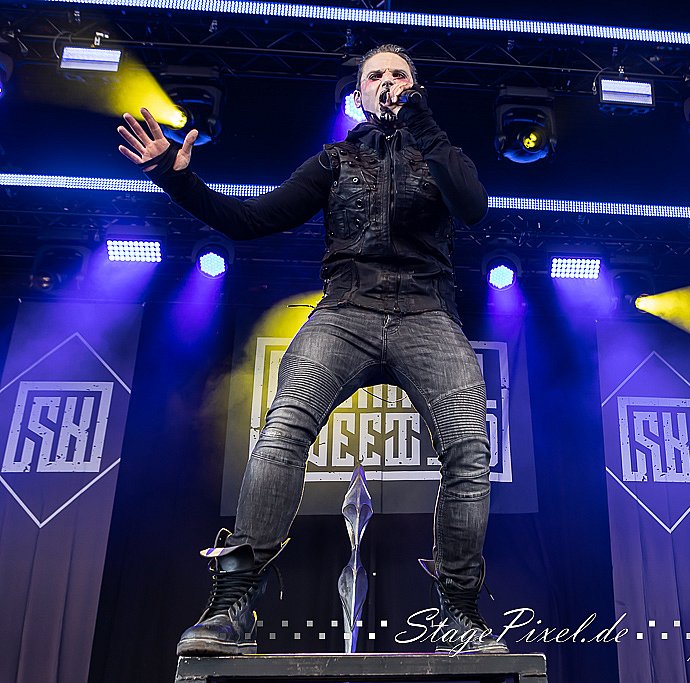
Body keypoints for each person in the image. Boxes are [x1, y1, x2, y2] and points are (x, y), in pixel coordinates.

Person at [116, 44, 508, 655]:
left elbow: (474, 208)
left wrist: (423, 123)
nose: (388, 82)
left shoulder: (440, 154)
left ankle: (459, 613)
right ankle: (233, 606)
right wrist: (177, 178)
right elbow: (250, 221)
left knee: (469, 452)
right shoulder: (334, 160)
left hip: (427, 313)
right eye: (376, 75)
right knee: (282, 432)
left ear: (415, 86)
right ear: (359, 93)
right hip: (346, 310)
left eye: (400, 74)